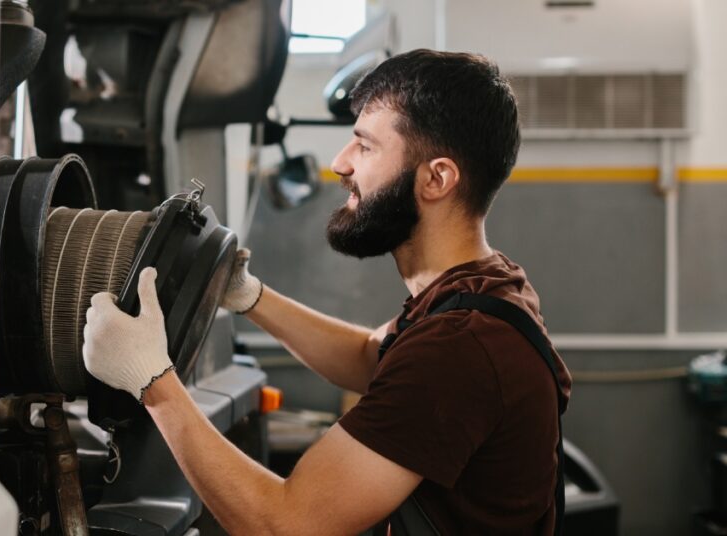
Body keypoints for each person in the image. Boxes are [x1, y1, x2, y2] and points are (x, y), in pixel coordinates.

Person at [82, 49, 573, 535]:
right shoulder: (484, 286)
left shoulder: (461, 345)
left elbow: (283, 525)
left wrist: (152, 381)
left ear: (437, 178)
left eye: (365, 146)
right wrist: (250, 296)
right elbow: (368, 357)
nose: (340, 163)